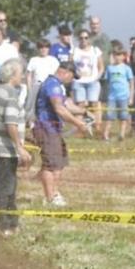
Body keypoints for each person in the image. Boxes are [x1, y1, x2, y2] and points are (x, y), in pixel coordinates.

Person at [0, 59, 31, 234]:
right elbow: (11, 123)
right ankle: (4, 226)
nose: (23, 76)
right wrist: (20, 147)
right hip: (6, 149)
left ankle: (13, 223)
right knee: (6, 188)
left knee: (9, 185)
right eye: (21, 73)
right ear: (13, 75)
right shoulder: (11, 95)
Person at [33, 61, 90, 206]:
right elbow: (59, 109)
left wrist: (84, 112)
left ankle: (54, 192)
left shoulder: (58, 86)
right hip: (47, 128)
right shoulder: (52, 85)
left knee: (58, 163)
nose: (72, 80)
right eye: (72, 77)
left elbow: (67, 106)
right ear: (66, 72)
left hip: (54, 129)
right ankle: (50, 198)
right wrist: (79, 123)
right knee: (50, 165)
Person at [71, 28, 103, 121]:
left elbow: (101, 67)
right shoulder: (74, 50)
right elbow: (69, 66)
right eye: (81, 38)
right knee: (80, 104)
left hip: (92, 81)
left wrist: (97, 78)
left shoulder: (95, 50)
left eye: (86, 37)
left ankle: (96, 125)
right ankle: (80, 127)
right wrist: (75, 75)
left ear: (89, 38)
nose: (83, 40)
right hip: (78, 81)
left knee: (94, 104)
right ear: (78, 39)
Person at [102, 47, 134, 141]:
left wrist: (131, 97)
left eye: (119, 55)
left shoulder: (127, 68)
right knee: (109, 116)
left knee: (123, 116)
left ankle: (122, 134)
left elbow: (131, 82)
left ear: (124, 56)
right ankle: (105, 134)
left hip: (124, 96)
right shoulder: (109, 68)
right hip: (112, 96)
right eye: (115, 55)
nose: (117, 57)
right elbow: (106, 82)